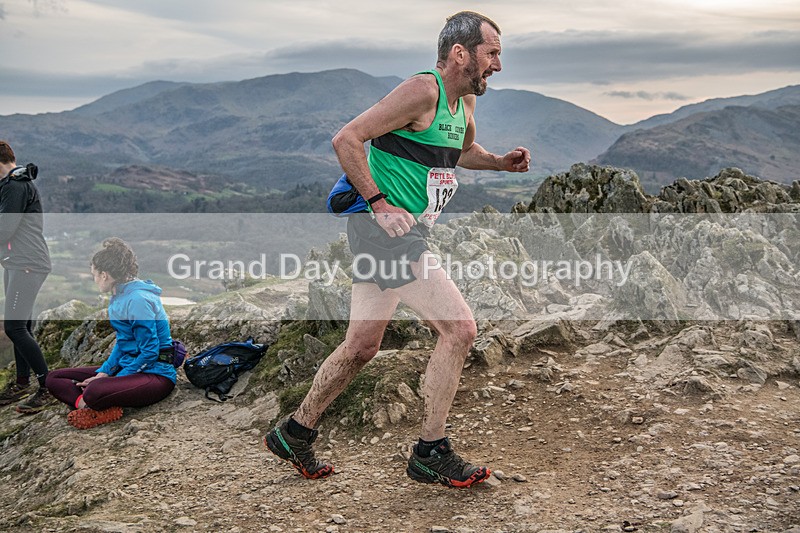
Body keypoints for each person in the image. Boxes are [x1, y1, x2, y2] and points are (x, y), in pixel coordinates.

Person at [265, 11, 531, 488]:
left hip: (402, 232)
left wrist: (498, 163)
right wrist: (380, 203)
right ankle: (431, 451)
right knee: (460, 329)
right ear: (460, 53)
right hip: (383, 231)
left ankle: (295, 431)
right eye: (492, 53)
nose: (498, 65)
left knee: (361, 346)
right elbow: (347, 138)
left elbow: (458, 152)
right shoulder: (422, 90)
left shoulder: (463, 102)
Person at [46, 238, 176, 429]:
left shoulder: (138, 300)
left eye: (95, 275)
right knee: (53, 378)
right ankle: (88, 408)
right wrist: (104, 372)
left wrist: (115, 379)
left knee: (94, 390)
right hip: (130, 364)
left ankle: (93, 400)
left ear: (104, 275)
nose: (94, 280)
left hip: (156, 374)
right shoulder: (119, 297)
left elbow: (150, 352)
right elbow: (123, 343)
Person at [0, 140, 54, 414]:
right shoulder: (13, 184)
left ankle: (47, 387)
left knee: (14, 327)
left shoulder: (15, 186)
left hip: (27, 264)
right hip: (17, 263)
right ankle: (22, 382)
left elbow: (4, 230)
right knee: (22, 326)